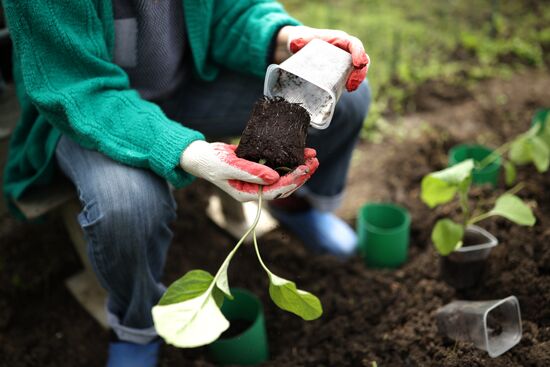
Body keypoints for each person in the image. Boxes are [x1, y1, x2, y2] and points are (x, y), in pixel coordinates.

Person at [2, 1, 371, 366]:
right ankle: (136, 323)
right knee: (128, 206)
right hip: (89, 112)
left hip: (186, 84)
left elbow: (231, 11)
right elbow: (75, 87)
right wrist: (188, 152)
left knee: (345, 103)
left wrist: (285, 38)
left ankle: (295, 207)